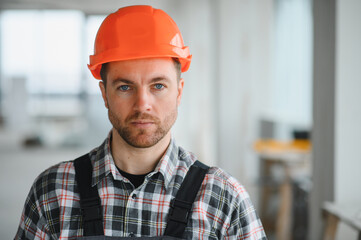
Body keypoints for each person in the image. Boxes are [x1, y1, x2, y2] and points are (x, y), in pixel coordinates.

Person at [15, 5, 266, 240]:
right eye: (125, 87)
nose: (142, 103)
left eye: (158, 86)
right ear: (104, 94)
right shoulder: (52, 193)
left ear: (179, 92)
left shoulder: (224, 200)